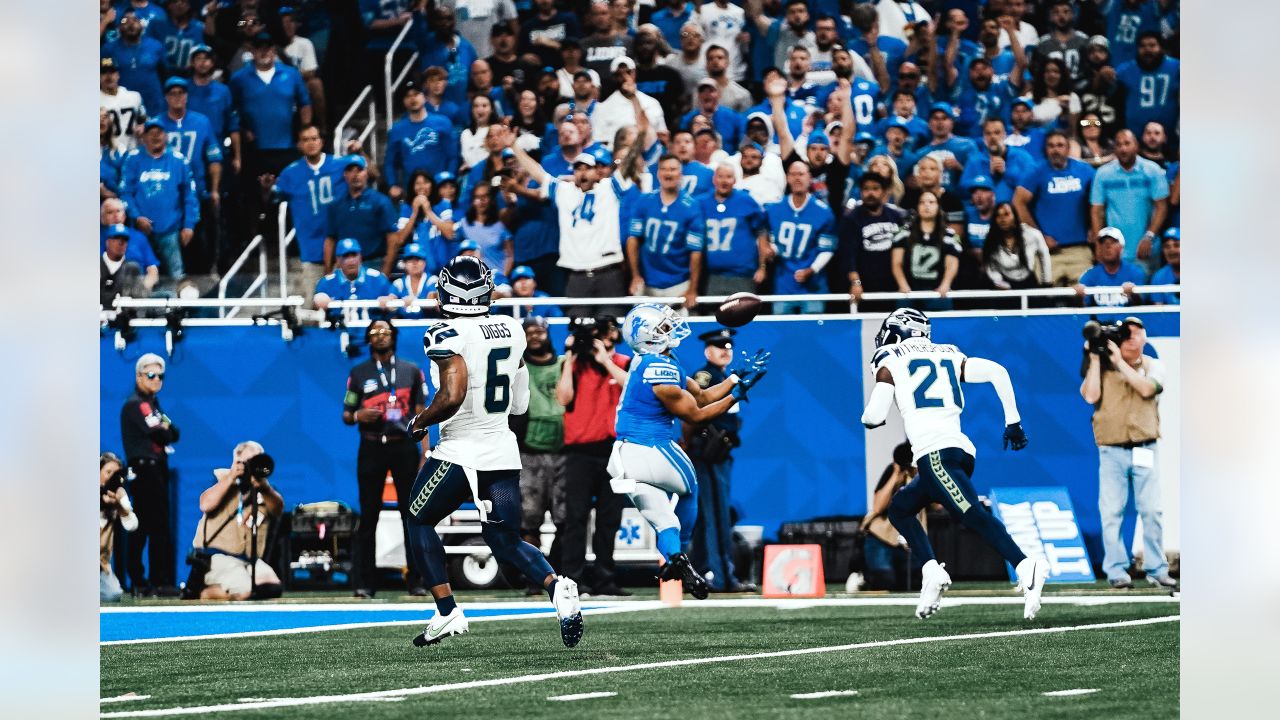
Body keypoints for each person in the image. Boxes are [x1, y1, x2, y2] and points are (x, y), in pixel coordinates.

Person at [403, 255, 585, 647]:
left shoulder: (444, 332)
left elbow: (452, 395)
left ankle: (447, 610)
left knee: (418, 519)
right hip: (502, 447)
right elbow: (519, 402)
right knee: (504, 539)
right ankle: (557, 587)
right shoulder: (511, 327)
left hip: (461, 449)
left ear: (446, 290)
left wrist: (420, 421)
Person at [860, 308, 1047, 620]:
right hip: (956, 452)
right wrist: (1013, 421)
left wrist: (867, 418)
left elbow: (875, 415)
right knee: (900, 508)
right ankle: (931, 572)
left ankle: (1027, 565)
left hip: (935, 456)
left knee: (972, 514)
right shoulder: (949, 352)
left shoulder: (890, 355)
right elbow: (998, 371)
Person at [610, 304, 769, 599]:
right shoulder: (663, 368)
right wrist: (738, 393)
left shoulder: (643, 361)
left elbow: (705, 394)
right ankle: (682, 548)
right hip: (654, 448)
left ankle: (674, 559)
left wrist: (734, 378)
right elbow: (696, 415)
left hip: (622, 457)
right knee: (690, 490)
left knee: (663, 519)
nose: (670, 330)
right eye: (662, 328)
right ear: (649, 336)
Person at [502, 124, 642, 316]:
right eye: (578, 168)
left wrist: (640, 134)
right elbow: (538, 173)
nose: (582, 173)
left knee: (610, 327)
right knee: (578, 329)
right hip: (576, 274)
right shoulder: (564, 191)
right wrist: (515, 147)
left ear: (597, 172)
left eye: (587, 168)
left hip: (608, 272)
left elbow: (628, 164)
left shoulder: (610, 189)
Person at [1079, 315, 1176, 589]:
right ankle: (1117, 571)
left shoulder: (1153, 365)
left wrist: (1120, 362)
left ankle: (1157, 569)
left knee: (1152, 511)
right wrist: (1097, 359)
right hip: (1112, 448)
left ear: (1144, 337)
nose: (1132, 338)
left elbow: (1147, 388)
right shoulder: (1102, 366)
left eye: (1136, 333)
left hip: (1145, 445)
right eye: (1126, 334)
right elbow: (1090, 396)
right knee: (1112, 512)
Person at [341, 320, 429, 598]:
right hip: (371, 446)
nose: (381, 337)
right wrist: (358, 416)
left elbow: (421, 413)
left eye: (386, 332)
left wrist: (425, 452)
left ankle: (417, 580)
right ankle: (365, 582)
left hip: (403, 445)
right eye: (375, 333)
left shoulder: (411, 371)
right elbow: (346, 413)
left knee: (411, 514)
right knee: (369, 516)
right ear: (368, 339)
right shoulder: (358, 373)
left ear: (395, 337)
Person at [550, 315, 631, 596]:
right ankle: (573, 579)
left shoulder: (621, 362)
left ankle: (605, 580)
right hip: (579, 452)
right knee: (576, 519)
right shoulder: (573, 365)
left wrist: (605, 361)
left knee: (610, 519)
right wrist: (571, 357)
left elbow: (631, 388)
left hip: (613, 450)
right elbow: (563, 398)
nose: (601, 342)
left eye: (606, 337)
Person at [687, 328, 755, 593]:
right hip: (707, 454)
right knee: (717, 515)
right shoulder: (705, 377)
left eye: (728, 347)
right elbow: (693, 412)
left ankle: (696, 571)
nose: (725, 351)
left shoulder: (725, 377)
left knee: (707, 517)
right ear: (707, 351)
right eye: (719, 347)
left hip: (720, 452)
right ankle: (722, 576)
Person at [513, 316, 567, 592]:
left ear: (547, 333)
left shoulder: (564, 365)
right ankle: (536, 578)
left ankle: (558, 574)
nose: (534, 336)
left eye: (539, 331)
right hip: (529, 453)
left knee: (566, 520)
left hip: (564, 453)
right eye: (529, 332)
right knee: (528, 521)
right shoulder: (517, 367)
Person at [191, 441, 285, 600]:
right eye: (247, 461)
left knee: (272, 587)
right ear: (236, 460)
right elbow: (205, 504)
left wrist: (265, 487)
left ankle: (230, 588)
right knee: (244, 590)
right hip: (219, 557)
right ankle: (203, 593)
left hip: (249, 560)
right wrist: (231, 477)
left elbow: (277, 510)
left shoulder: (265, 487)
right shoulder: (221, 478)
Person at [120, 353, 181, 596]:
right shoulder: (137, 404)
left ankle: (151, 581)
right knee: (148, 527)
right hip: (145, 470)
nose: (157, 380)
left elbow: (174, 431)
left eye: (161, 376)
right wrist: (164, 429)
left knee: (153, 526)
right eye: (151, 375)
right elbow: (161, 434)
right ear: (139, 376)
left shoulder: (154, 406)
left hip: (157, 469)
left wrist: (164, 429)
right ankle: (148, 580)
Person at [268, 125, 347, 303]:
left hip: (343, 250)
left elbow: (369, 173)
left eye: (314, 138)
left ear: (321, 141)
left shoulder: (341, 164)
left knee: (345, 305)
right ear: (299, 145)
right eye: (305, 139)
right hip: (311, 250)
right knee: (315, 304)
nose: (310, 143)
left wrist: (360, 151)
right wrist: (266, 189)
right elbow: (273, 199)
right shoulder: (290, 173)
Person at [119, 119, 200, 283]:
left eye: (159, 133)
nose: (156, 137)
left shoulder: (179, 160)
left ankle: (179, 306)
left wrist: (188, 225)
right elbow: (125, 192)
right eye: (151, 133)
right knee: (138, 275)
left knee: (177, 275)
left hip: (170, 231)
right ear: (144, 137)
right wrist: (136, 216)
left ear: (166, 136)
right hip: (140, 232)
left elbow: (189, 196)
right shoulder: (133, 159)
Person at [1014, 129, 1096, 286]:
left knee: (1084, 296)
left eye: (1060, 145)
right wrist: (1039, 235)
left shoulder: (1085, 171)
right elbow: (1018, 202)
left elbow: (1098, 202)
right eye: (1051, 146)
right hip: (1048, 252)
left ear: (1068, 148)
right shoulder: (1036, 171)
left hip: (1079, 250)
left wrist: (1094, 228)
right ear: (1046, 149)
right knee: (1045, 300)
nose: (1056, 150)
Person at [626, 155, 706, 309]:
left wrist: (692, 288)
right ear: (658, 173)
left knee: (677, 331)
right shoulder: (644, 201)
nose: (668, 173)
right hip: (646, 281)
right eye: (664, 169)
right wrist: (635, 275)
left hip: (678, 283)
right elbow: (633, 239)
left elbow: (696, 251)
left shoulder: (691, 206)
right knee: (644, 329)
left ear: (680, 174)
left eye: (673, 169)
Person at [1089, 129, 1168, 274]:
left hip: (1145, 247)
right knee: (1119, 295)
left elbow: (1162, 207)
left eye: (1127, 143)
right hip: (1115, 250)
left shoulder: (1152, 170)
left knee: (1145, 294)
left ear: (1136, 145)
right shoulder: (1103, 174)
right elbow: (1096, 210)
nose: (1123, 149)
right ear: (1114, 149)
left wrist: (1149, 237)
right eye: (1118, 145)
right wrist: (1098, 244)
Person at [766, 160, 838, 315]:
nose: (797, 178)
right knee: (782, 333)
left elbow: (827, 249)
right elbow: (774, 243)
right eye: (793, 174)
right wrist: (771, 251)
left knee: (812, 334)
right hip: (784, 284)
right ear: (787, 178)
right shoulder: (774, 209)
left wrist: (812, 269)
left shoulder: (823, 212)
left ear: (809, 177)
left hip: (813, 286)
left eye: (801, 174)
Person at [840, 172, 909, 311]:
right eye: (866, 189)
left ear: (884, 192)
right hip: (864, 288)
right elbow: (848, 256)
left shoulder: (897, 216)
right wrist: (856, 282)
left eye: (875, 189)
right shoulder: (851, 219)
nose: (870, 193)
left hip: (893, 286)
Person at [701, 163, 772, 296]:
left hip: (742, 275)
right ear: (714, 179)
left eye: (728, 177)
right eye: (720, 176)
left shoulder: (746, 201)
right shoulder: (701, 202)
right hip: (711, 275)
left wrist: (762, 268)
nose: (724, 181)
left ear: (735, 180)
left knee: (743, 314)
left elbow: (762, 232)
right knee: (712, 314)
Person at [324, 155, 403, 275]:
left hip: (374, 263)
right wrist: (328, 271)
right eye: (350, 170)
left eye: (359, 170)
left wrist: (386, 270)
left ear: (366, 173)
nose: (355, 174)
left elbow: (393, 238)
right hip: (343, 265)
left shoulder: (380, 201)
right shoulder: (336, 204)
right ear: (345, 175)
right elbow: (330, 239)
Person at [385, 80, 459, 205]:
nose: (412, 98)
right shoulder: (397, 130)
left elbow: (453, 156)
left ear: (424, 97)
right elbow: (389, 162)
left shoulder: (442, 122)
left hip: (439, 188)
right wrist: (392, 184)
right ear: (403, 101)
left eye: (416, 94)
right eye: (407, 96)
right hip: (412, 190)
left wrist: (448, 181)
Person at [891, 190, 963, 310]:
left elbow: (951, 264)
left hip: (937, 292)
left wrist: (945, 285)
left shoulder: (949, 236)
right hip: (909, 291)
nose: (926, 205)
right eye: (922, 202)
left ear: (938, 207)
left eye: (931, 202)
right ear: (917, 207)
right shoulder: (904, 233)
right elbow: (896, 263)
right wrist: (903, 285)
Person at [857, 442, 915, 591]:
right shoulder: (893, 472)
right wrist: (896, 473)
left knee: (915, 583)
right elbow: (878, 507)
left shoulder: (922, 476)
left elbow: (937, 506)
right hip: (881, 537)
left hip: (908, 540)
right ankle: (863, 578)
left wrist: (923, 476)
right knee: (884, 582)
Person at [101, 9, 167, 118]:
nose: (130, 24)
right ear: (119, 27)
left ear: (142, 25)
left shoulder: (155, 46)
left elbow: (165, 74)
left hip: (153, 105)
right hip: (122, 107)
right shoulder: (109, 49)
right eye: (125, 21)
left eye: (135, 20)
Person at [1114, 31, 1179, 139]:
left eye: (1152, 45)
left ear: (1161, 47)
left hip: (1170, 138)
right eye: (1143, 46)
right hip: (1134, 139)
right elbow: (1105, 87)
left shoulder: (1177, 67)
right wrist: (1103, 77)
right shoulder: (1126, 69)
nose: (1147, 50)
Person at [313, 238, 396, 320]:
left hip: (372, 330)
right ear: (338, 260)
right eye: (346, 256)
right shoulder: (326, 283)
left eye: (354, 255)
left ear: (360, 257)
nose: (351, 261)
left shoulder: (378, 279)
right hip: (338, 330)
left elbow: (394, 308)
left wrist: (389, 302)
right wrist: (318, 303)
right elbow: (315, 313)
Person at [982, 202, 1051, 291]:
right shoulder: (991, 240)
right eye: (998, 216)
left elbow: (1044, 256)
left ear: (1015, 216)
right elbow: (991, 267)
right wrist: (1000, 283)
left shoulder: (1032, 235)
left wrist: (1046, 282)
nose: (1002, 219)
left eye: (1006, 214)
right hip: (1005, 285)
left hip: (1030, 281)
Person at [1075, 227, 1149, 307]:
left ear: (1121, 247)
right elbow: (1083, 309)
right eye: (1103, 243)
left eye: (1112, 242)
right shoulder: (1090, 275)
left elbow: (1142, 307)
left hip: (1127, 318)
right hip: (1099, 319)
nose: (1107, 247)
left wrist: (1134, 294)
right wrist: (1079, 297)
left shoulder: (1135, 272)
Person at [100, 452, 138, 603]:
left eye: (116, 474)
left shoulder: (117, 497)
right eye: (108, 472)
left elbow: (132, 525)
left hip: (99, 566)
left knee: (113, 594)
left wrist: (120, 505)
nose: (111, 477)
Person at [100, 58, 146, 156]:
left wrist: (142, 127)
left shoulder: (134, 97)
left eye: (112, 72)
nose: (109, 76)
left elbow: (143, 121)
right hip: (106, 157)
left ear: (118, 75)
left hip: (132, 153)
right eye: (104, 73)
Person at [101, 224, 150, 306]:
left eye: (125, 239)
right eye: (116, 238)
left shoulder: (133, 268)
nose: (121, 242)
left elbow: (137, 300)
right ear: (107, 242)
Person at [1148, 227, 1180, 305]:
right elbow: (1158, 311)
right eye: (1167, 246)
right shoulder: (1159, 277)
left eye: (1176, 245)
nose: (1171, 250)